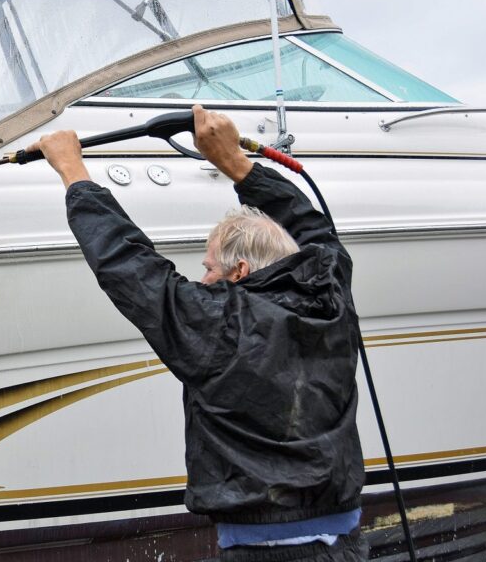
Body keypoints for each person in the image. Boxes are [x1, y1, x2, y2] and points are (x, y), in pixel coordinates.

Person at [29, 105, 366, 561]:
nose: (202, 279)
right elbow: (313, 228)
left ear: (239, 271)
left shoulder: (219, 324)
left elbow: (130, 268)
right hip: (344, 544)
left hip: (266, 552)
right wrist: (236, 163)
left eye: (208, 268)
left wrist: (72, 170)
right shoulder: (332, 296)